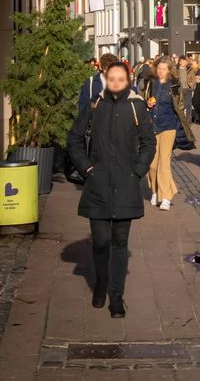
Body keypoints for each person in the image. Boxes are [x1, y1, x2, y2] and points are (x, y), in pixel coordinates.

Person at [67, 62, 155, 318]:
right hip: (98, 184)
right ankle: (101, 284)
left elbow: (149, 143)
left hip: (126, 183)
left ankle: (117, 295)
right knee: (101, 242)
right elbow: (74, 138)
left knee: (120, 242)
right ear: (106, 79)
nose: (116, 83)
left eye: (121, 79)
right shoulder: (95, 106)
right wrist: (87, 168)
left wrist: (137, 171)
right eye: (112, 78)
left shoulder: (137, 107)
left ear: (128, 80)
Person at [145, 57, 192, 209]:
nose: (160, 71)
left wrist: (182, 126)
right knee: (152, 164)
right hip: (152, 127)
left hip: (169, 127)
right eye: (159, 68)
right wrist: (148, 103)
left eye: (164, 69)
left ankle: (165, 197)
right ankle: (155, 191)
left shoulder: (175, 86)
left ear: (169, 71)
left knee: (164, 162)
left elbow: (180, 106)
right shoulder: (151, 83)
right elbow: (145, 100)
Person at [177, 54, 196, 123]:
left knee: (188, 105)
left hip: (188, 89)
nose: (184, 62)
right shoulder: (176, 70)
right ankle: (180, 120)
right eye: (183, 61)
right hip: (179, 90)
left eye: (185, 61)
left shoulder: (189, 70)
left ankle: (188, 120)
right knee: (180, 105)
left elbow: (193, 79)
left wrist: (192, 84)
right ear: (180, 62)